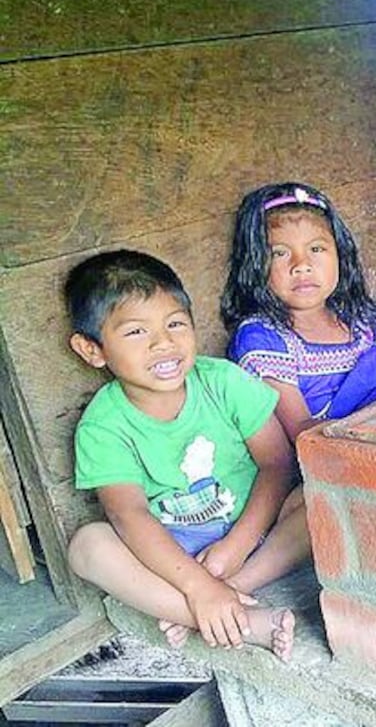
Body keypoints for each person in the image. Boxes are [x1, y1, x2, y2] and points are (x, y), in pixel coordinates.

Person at [64, 250, 307, 662]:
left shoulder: (224, 382)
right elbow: (130, 517)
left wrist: (235, 547)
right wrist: (197, 585)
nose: (164, 343)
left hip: (258, 526)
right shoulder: (102, 426)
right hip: (171, 552)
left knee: (321, 500)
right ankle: (234, 618)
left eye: (175, 323)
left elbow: (277, 465)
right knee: (88, 547)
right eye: (137, 332)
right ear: (92, 350)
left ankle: (225, 599)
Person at [221, 182, 376, 441]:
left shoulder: (361, 321)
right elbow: (302, 431)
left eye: (316, 249)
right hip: (345, 449)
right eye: (279, 253)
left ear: (340, 255)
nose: (301, 266)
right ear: (255, 264)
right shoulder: (264, 338)